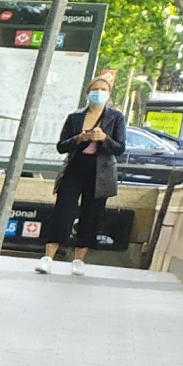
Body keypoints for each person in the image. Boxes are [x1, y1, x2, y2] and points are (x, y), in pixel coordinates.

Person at [37, 74, 124, 275]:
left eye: (104, 91)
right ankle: (48, 256)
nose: (99, 94)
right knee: (63, 211)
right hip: (75, 166)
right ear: (87, 93)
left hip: (100, 170)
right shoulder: (75, 117)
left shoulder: (116, 117)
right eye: (95, 90)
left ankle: (79, 259)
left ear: (109, 95)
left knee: (91, 214)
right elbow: (61, 146)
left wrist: (104, 138)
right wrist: (79, 138)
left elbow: (120, 148)